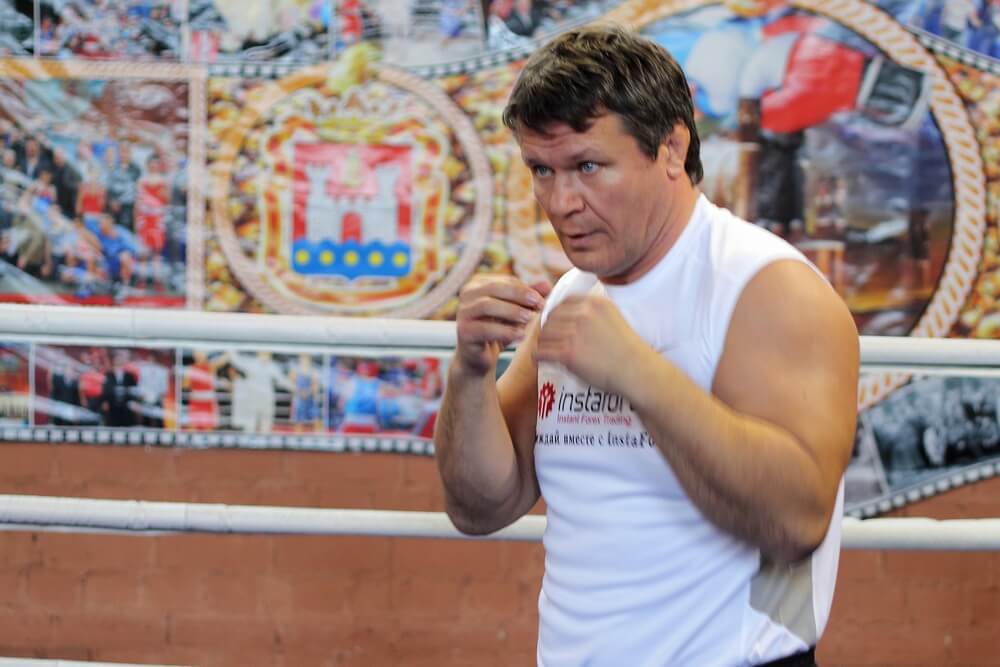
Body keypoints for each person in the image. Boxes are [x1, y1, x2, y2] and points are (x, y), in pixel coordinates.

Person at [433, 25, 859, 667]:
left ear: (671, 148)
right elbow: (482, 506)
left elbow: (795, 523)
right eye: (542, 170)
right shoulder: (573, 299)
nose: (561, 202)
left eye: (587, 166)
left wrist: (641, 375)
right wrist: (469, 373)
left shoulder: (765, 287)